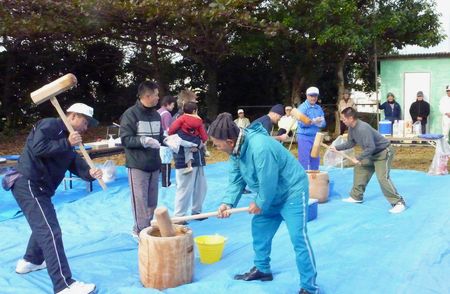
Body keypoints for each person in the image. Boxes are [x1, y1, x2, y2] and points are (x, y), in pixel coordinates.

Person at [209, 113, 319, 294]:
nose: (215, 147)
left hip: (291, 192)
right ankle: (262, 269)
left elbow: (268, 181)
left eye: (216, 144)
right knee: (259, 229)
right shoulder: (235, 151)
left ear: (229, 141)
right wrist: (227, 203)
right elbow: (236, 180)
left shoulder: (259, 147)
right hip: (270, 195)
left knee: (298, 238)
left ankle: (309, 287)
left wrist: (259, 202)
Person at [7, 103, 102, 294]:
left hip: (40, 189)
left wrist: (91, 173)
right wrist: (67, 142)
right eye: (85, 122)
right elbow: (37, 148)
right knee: (50, 231)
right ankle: (63, 285)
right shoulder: (50, 125)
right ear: (73, 116)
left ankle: (30, 261)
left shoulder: (71, 142)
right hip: (28, 183)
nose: (86, 127)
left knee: (45, 226)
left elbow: (76, 165)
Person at [329, 107, 406, 214]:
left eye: (344, 119)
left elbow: (371, 147)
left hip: (383, 153)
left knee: (382, 178)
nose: (343, 120)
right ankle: (356, 196)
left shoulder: (362, 128)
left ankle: (399, 203)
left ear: (351, 118)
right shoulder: (351, 127)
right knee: (360, 168)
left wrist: (358, 158)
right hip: (371, 154)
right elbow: (351, 143)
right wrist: (337, 148)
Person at [120, 81, 163, 238]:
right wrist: (142, 141)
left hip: (154, 164)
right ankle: (140, 231)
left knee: (152, 201)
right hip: (137, 164)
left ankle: (147, 226)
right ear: (147, 96)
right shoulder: (130, 114)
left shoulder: (156, 115)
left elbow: (160, 137)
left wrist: (169, 140)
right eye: (156, 95)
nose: (158, 97)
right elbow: (125, 140)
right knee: (140, 201)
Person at [168, 102, 208, 174]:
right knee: (194, 147)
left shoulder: (181, 118)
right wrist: (204, 140)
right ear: (194, 111)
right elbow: (203, 133)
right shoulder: (199, 120)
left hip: (184, 140)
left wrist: (170, 134)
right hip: (195, 141)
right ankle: (204, 151)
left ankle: (189, 166)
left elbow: (172, 128)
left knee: (187, 149)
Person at [296, 87, 326, 170]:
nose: (313, 98)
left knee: (315, 157)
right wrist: (313, 121)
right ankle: (303, 179)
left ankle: (314, 177)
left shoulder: (318, 108)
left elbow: (324, 123)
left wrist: (320, 123)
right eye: (311, 96)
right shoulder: (302, 108)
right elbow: (301, 123)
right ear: (307, 96)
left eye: (315, 96)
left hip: (315, 136)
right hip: (304, 136)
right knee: (304, 159)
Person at [158, 95, 177, 187]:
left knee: (161, 161)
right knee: (166, 162)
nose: (173, 107)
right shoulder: (166, 114)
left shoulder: (158, 112)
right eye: (173, 104)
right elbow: (168, 129)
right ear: (167, 104)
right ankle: (166, 183)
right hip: (165, 139)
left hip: (157, 139)